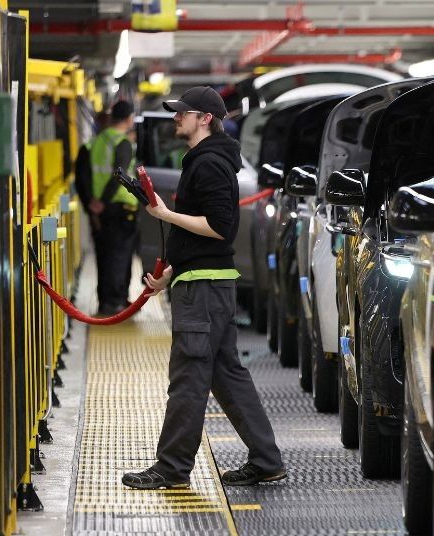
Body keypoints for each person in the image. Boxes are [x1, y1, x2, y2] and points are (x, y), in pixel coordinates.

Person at [121, 86, 286, 490]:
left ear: (205, 119)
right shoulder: (206, 161)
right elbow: (202, 240)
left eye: (184, 113)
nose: (177, 118)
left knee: (189, 377)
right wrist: (170, 273)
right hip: (207, 282)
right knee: (225, 374)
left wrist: (164, 213)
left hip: (204, 291)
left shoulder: (209, 164)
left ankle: (172, 468)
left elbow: (217, 227)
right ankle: (266, 460)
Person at [87, 101, 139, 315]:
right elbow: (119, 176)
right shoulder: (122, 142)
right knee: (120, 255)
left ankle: (106, 300)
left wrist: (94, 202)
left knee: (105, 255)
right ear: (129, 118)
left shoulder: (97, 141)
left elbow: (90, 173)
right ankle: (115, 302)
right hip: (120, 206)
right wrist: (103, 201)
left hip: (101, 209)